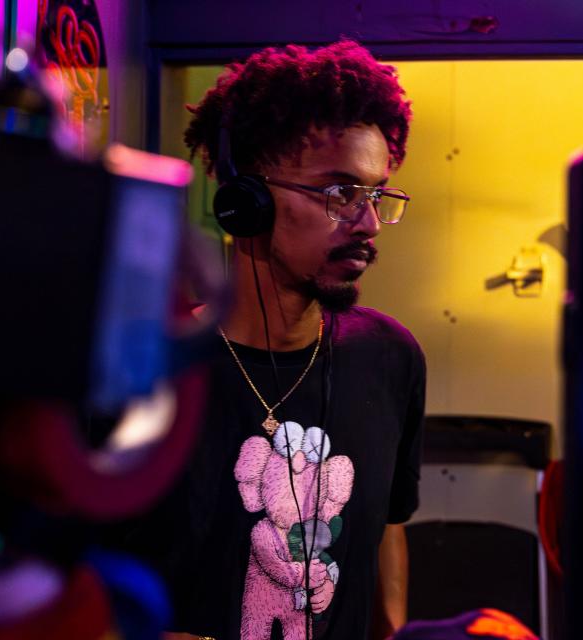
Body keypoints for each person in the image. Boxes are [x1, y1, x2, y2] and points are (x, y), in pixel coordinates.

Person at [125, 41, 425, 640]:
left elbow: (389, 522)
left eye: (376, 195)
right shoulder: (150, 368)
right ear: (247, 203)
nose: (367, 224)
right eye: (340, 193)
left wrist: (394, 628)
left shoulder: (391, 357)